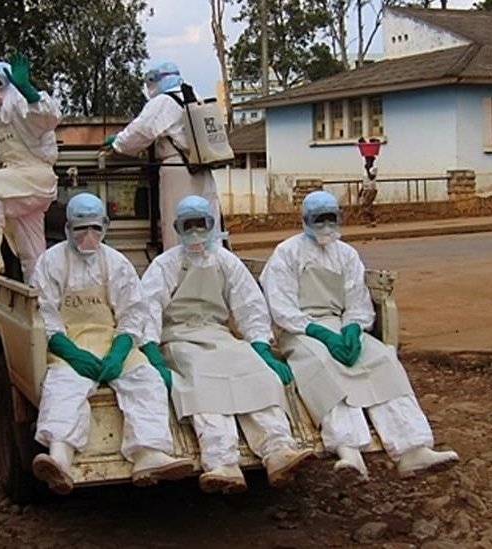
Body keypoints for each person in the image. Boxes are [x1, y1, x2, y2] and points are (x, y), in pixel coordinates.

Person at [259, 191, 458, 481]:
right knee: (322, 366)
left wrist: (353, 327)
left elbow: (357, 300)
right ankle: (347, 449)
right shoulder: (286, 253)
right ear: (305, 220)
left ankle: (412, 448)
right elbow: (281, 306)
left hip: (340, 324)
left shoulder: (347, 254)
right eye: (319, 219)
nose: (326, 225)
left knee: (382, 361)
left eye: (331, 218)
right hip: (301, 330)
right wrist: (320, 333)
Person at [140, 195, 313, 494]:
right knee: (201, 383)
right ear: (177, 227)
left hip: (219, 335)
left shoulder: (225, 261)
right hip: (179, 337)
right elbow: (149, 306)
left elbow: (249, 304)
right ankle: (221, 461)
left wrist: (260, 346)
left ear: (212, 224)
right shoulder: (165, 264)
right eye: (188, 225)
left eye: (201, 224)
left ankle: (277, 448)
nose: (195, 232)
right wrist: (152, 351)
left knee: (255, 372)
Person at [30, 193, 195, 495]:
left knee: (146, 380)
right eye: (80, 229)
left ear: (106, 226)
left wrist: (120, 351)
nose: (88, 236)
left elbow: (133, 311)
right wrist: (71, 353)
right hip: (70, 344)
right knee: (62, 386)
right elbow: (45, 315)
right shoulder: (50, 262)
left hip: (111, 341)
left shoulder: (116, 262)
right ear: (67, 228)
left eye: (95, 227)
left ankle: (148, 453)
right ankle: (60, 457)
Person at [102, 61, 223, 251]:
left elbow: (140, 132)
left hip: (177, 169)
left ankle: (177, 270)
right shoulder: (193, 96)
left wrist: (117, 142)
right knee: (206, 224)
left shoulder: (164, 101)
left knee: (177, 222)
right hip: (202, 168)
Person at [0, 52, 61, 276]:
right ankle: (38, 292)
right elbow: (11, 149)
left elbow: (49, 118)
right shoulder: (1, 116)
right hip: (23, 180)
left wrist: (28, 90)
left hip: (33, 176)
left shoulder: (18, 101)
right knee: (31, 248)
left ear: (9, 81)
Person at [358, 138, 379, 227]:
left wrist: (367, 169)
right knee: (364, 205)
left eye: (368, 160)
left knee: (367, 205)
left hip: (371, 189)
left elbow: (371, 177)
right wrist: (361, 190)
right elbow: (365, 180)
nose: (367, 162)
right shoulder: (365, 170)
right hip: (366, 189)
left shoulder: (373, 169)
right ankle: (370, 221)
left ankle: (373, 220)